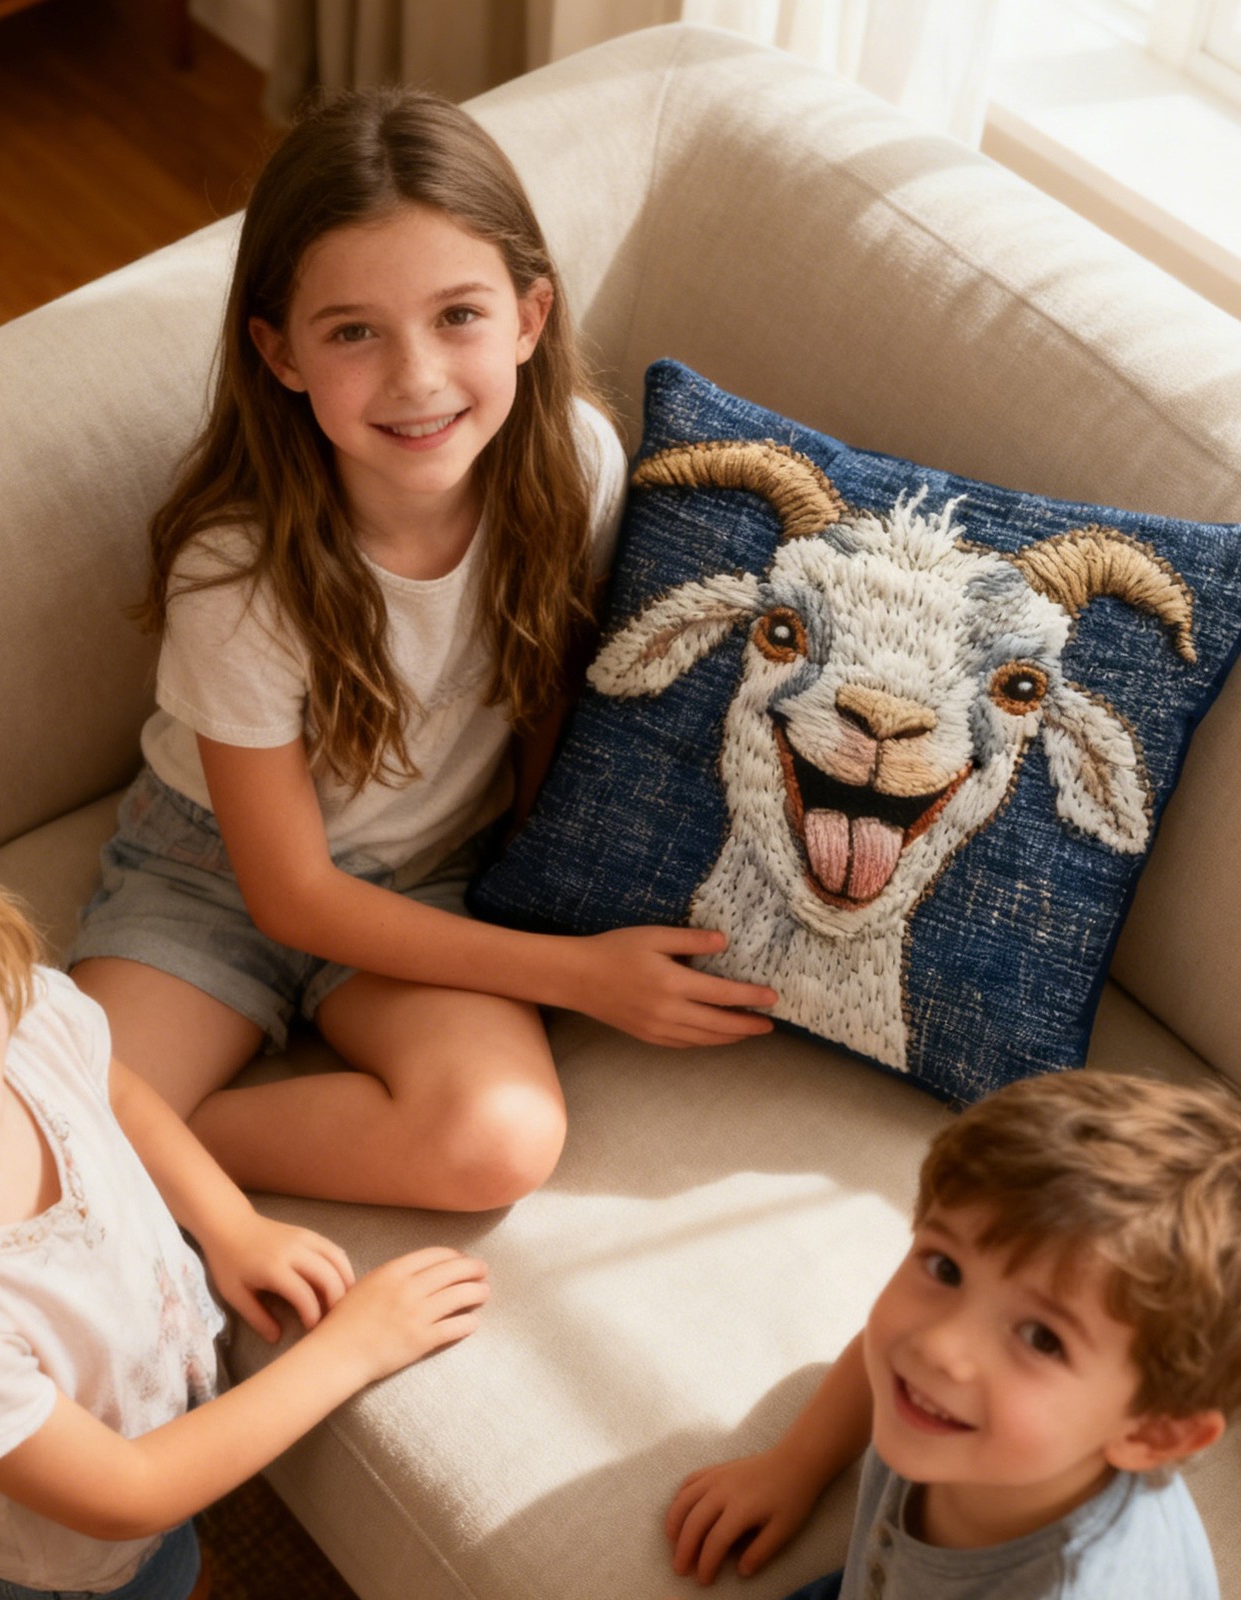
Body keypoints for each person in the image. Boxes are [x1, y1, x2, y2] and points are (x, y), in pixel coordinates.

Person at [69, 86, 778, 1213]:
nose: (416, 378)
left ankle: (171, 1145)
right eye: (353, 331)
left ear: (529, 317)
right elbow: (293, 895)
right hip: (212, 875)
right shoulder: (238, 573)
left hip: (439, 871)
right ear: (280, 352)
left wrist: (537, 877)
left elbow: (554, 690)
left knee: (498, 1141)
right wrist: (579, 976)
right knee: (51, 1141)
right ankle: (138, 1143)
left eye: (458, 315)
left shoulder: (577, 464)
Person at [0, 784, 490, 1599]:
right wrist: (353, 1349)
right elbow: (131, 1495)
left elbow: (117, 1091)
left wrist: (231, 1224)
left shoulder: (23, 1020)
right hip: (79, 1564)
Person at [665, 1070, 1241, 1598]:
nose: (939, 1344)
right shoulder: (945, 1396)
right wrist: (793, 1465)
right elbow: (877, 1360)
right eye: (946, 1269)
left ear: (1150, 1432)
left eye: (1042, 1338)